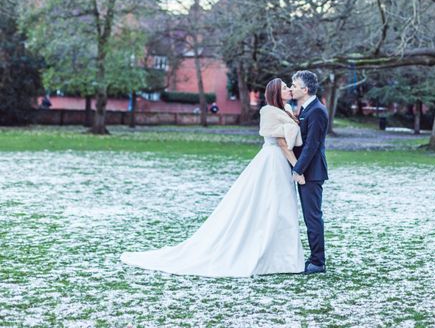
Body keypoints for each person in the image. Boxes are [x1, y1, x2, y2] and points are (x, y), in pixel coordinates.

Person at [120, 78, 305, 277]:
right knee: (272, 204)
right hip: (273, 161)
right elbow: (282, 143)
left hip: (279, 162)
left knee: (281, 205)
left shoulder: (285, 109)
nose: (288, 89)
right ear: (276, 92)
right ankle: (273, 255)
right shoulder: (269, 111)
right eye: (285, 87)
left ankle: (281, 255)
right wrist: (298, 169)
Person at [290, 70, 329, 275]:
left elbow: (312, 145)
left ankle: (317, 261)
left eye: (294, 85)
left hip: (312, 173)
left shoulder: (316, 111)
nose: (291, 88)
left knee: (312, 217)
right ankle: (314, 258)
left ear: (305, 90)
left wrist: (298, 169)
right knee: (310, 217)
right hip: (306, 171)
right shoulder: (306, 109)